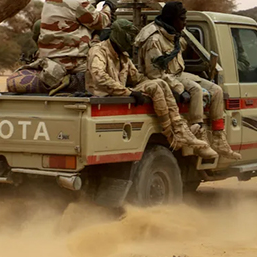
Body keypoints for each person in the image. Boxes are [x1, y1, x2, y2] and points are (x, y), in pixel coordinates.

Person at [87, 19, 217, 157]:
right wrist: (128, 92)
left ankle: (180, 130)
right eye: (129, 37)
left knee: (159, 83)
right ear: (120, 35)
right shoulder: (98, 51)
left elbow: (136, 77)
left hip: (120, 91)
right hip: (104, 93)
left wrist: (168, 88)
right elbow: (99, 76)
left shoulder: (122, 55)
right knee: (155, 85)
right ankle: (171, 134)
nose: (131, 42)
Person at [135, 1, 241, 160]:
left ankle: (219, 138)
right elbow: (154, 74)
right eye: (182, 19)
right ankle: (199, 136)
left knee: (216, 90)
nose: (185, 23)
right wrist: (178, 88)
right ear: (172, 19)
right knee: (196, 90)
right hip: (162, 77)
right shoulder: (154, 40)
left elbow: (178, 54)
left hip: (177, 73)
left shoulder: (173, 34)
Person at [38, 0, 118, 74]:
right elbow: (101, 21)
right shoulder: (77, 1)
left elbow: (75, 9)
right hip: (72, 62)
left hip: (50, 58)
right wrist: (109, 5)